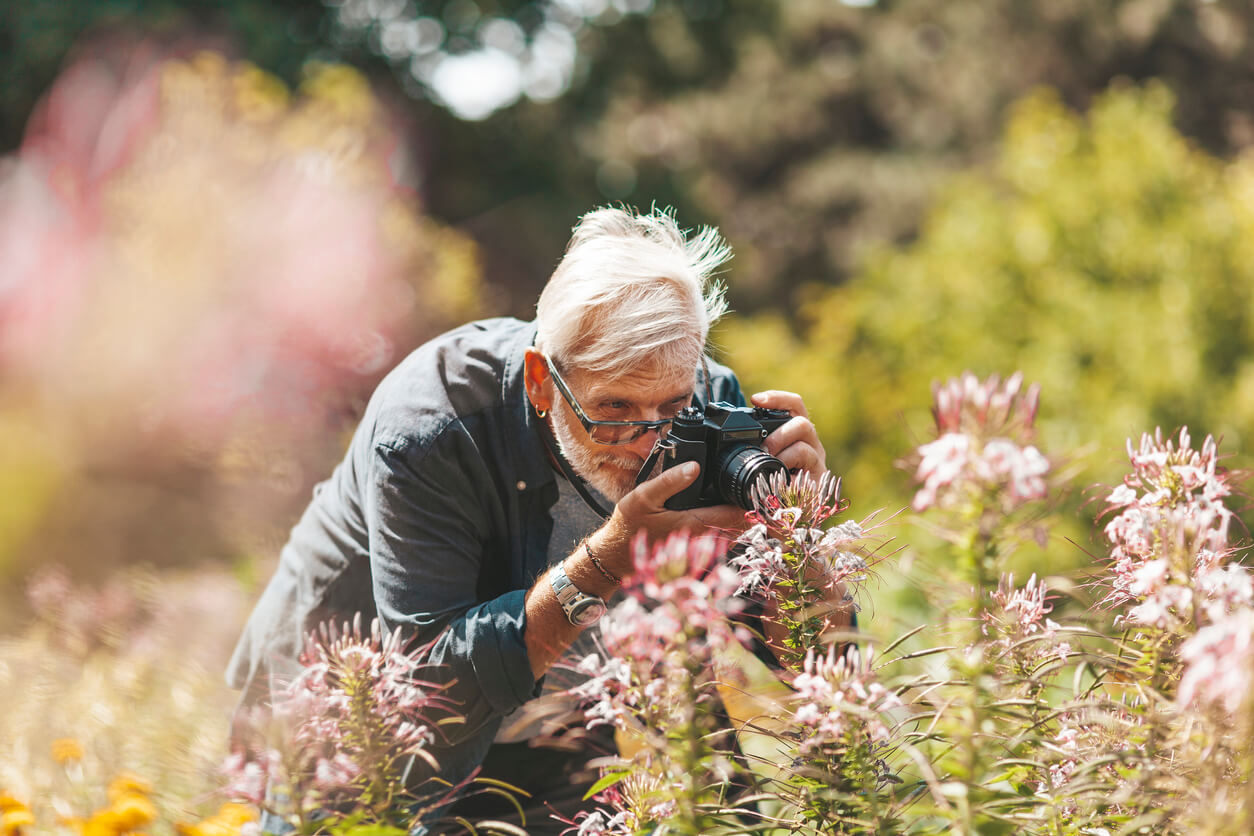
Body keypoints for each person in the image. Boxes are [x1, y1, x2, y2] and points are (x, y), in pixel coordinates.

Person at [226, 206, 830, 832]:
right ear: (543, 382)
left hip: (559, 721)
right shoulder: (433, 427)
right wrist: (606, 561)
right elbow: (433, 688)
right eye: (614, 407)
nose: (646, 441)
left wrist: (797, 537)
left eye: (672, 406)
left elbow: (816, 661)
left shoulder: (711, 409)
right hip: (356, 721)